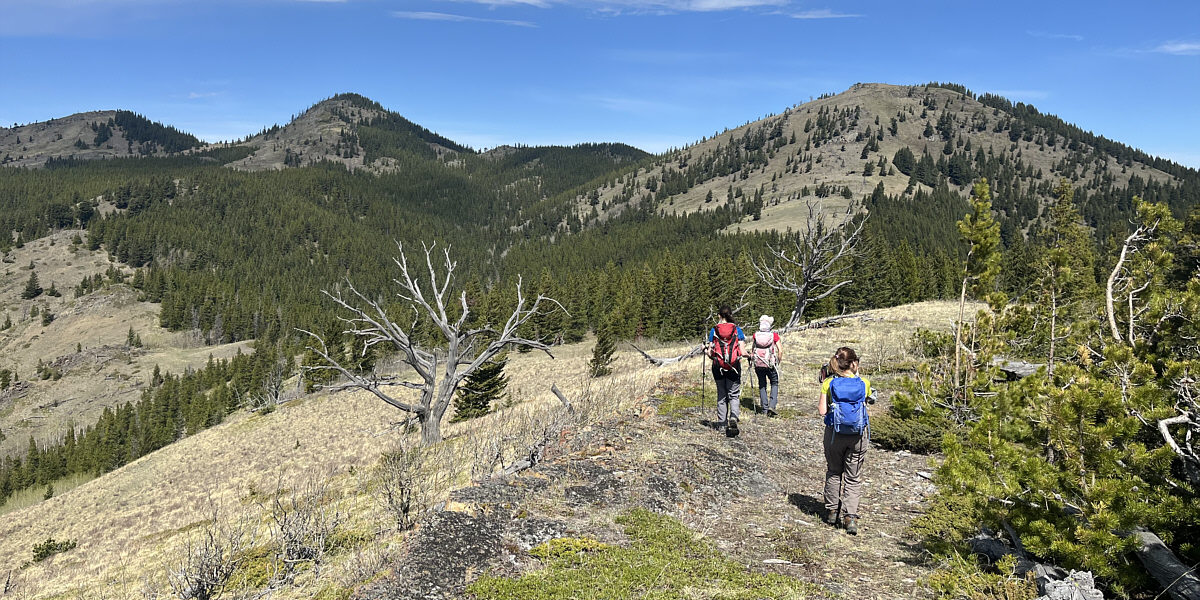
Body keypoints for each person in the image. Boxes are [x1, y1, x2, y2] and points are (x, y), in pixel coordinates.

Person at [817, 347, 872, 535]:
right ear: (854, 363)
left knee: (834, 471)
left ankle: (832, 511)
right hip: (857, 436)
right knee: (853, 477)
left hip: (834, 434)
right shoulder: (864, 383)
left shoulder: (829, 383)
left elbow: (822, 411)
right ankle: (850, 517)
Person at [705, 306, 745, 436]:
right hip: (734, 366)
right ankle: (733, 417)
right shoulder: (736, 330)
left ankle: (722, 423)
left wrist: (705, 351)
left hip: (718, 366)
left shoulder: (714, 330)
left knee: (721, 395)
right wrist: (750, 356)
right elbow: (743, 352)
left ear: (719, 316)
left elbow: (711, 352)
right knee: (733, 395)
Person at [750, 315, 782, 417]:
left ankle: (764, 408)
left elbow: (753, 349)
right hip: (770, 363)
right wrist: (778, 361)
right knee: (774, 383)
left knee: (762, 384)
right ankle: (772, 406)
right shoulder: (774, 336)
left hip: (758, 363)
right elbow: (780, 350)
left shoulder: (756, 335)